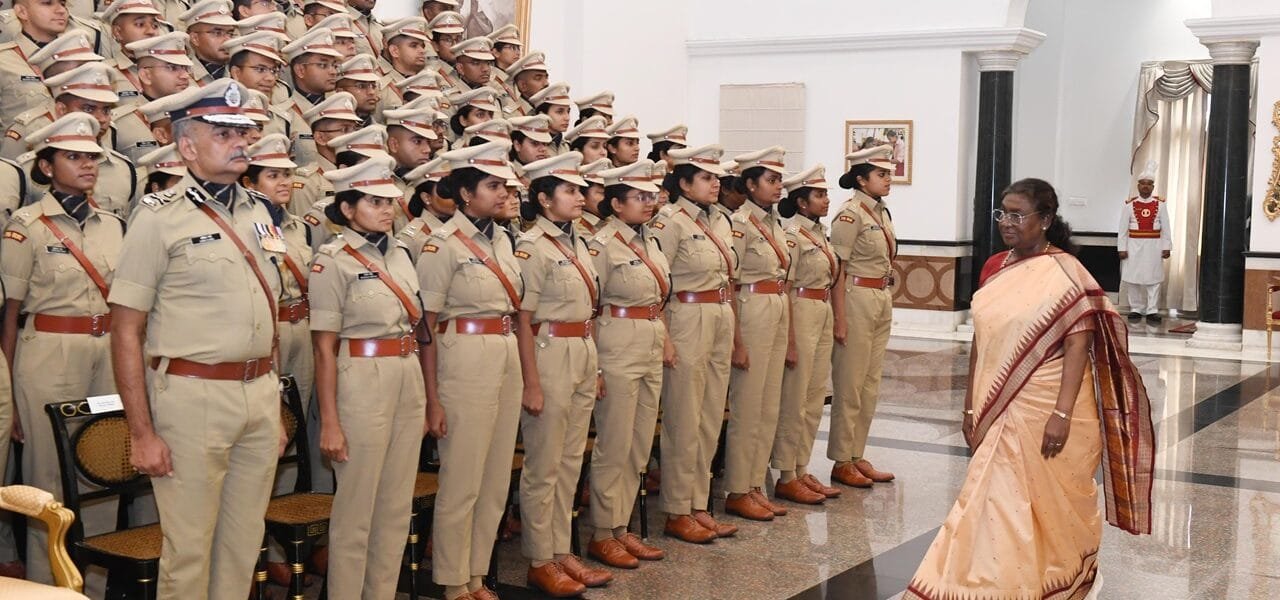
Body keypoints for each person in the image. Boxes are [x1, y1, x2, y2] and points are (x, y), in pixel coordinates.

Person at [905, 178, 1154, 600]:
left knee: (1044, 503)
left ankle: (1047, 578)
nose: (1007, 222)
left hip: (1048, 406)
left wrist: (1059, 415)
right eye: (1003, 213)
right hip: (996, 405)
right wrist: (969, 407)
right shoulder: (995, 267)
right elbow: (981, 340)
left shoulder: (1065, 271)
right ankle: (988, 583)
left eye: (1019, 214)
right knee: (990, 501)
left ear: (1045, 220)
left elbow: (1079, 344)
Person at [109, 79, 284, 600]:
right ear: (187, 146)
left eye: (243, 131)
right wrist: (141, 432)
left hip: (256, 392)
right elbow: (125, 329)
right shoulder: (158, 218)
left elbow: (267, 310)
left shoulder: (259, 211)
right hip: (192, 396)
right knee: (188, 551)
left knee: (242, 544)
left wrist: (270, 403)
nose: (240, 141)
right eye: (223, 132)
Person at [0, 113, 125, 588]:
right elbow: (9, 314)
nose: (89, 165)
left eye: (92, 156)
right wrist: (9, 393)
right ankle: (44, 585)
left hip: (107, 349)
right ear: (47, 166)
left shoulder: (114, 225)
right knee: (47, 475)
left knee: (106, 464)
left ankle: (93, 585)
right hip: (49, 351)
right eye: (74, 156)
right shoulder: (26, 227)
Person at [309, 154, 428, 599]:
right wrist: (331, 421)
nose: (386, 209)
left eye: (390, 201)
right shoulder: (332, 261)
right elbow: (324, 347)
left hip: (405, 373)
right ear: (347, 209)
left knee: (396, 506)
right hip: (360, 378)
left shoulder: (399, 251)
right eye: (374, 201)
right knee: (356, 509)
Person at [418, 140, 522, 600]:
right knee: (462, 478)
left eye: (504, 185)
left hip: (505, 352)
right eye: (492, 185)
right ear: (464, 193)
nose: (503, 193)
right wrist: (432, 398)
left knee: (495, 477)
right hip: (463, 355)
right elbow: (426, 326)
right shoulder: (442, 246)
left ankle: (477, 575)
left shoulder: (504, 238)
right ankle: (451, 580)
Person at [511, 151, 613, 596]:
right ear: (544, 199)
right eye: (569, 190)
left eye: (579, 189)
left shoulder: (578, 243)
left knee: (571, 459)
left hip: (582, 348)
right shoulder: (531, 247)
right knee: (545, 462)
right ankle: (539, 557)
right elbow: (523, 319)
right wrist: (530, 380)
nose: (579, 196)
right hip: (549, 351)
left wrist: (596, 366)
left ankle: (559, 548)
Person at [585, 158, 670, 570]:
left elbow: (659, 298)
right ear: (616, 204)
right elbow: (590, 306)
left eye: (651, 195)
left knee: (638, 442)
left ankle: (621, 527)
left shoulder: (649, 241)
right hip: (616, 342)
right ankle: (603, 531)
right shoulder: (602, 245)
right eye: (639, 197)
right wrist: (596, 367)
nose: (649, 202)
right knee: (614, 442)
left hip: (649, 339)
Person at [651, 144, 738, 543]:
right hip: (686, 316)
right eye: (706, 177)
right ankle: (676, 508)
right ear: (683, 182)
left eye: (717, 177)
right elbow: (658, 285)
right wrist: (665, 337)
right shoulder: (669, 222)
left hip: (718, 314)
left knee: (708, 414)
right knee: (683, 417)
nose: (715, 183)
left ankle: (698, 504)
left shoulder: (719, 219)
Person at [723, 146, 792, 520]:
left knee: (768, 404)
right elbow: (730, 281)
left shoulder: (773, 222)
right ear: (750, 185)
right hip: (751, 309)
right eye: (771, 180)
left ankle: (754, 484)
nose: (778, 186)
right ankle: (737, 487)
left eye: (780, 180)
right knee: (748, 405)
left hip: (776, 307)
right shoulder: (740, 223)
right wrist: (736, 338)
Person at [770, 164, 842, 502]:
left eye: (826, 193)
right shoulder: (792, 235)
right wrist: (791, 338)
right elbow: (785, 285)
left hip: (822, 309)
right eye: (819, 194)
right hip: (800, 310)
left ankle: (801, 466)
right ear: (801, 202)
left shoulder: (818, 232)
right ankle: (785, 472)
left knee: (814, 396)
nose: (826, 200)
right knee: (795, 398)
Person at [827, 145, 897, 488]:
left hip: (880, 296)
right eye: (881, 175)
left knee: (870, 384)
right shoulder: (849, 214)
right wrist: (839, 318)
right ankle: (842, 458)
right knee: (850, 383)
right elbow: (837, 269)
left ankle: (857, 453)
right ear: (861, 179)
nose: (889, 180)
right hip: (855, 297)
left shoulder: (881, 212)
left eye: (889, 174)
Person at [1117, 161, 1171, 325]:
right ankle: (1136, 309)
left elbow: (1166, 228)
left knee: (1153, 280)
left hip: (1154, 247)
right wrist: (1122, 248)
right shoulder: (1129, 205)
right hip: (1133, 247)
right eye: (1143, 184)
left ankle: (1152, 310)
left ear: (1153, 187)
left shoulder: (1160, 205)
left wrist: (1166, 247)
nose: (1146, 187)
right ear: (1138, 186)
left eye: (1149, 184)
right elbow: (1123, 229)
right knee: (1133, 278)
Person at [181, 0, 237, 84]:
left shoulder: (240, 74)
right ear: (195, 38)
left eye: (230, 33)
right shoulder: (182, 77)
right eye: (217, 33)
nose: (228, 40)